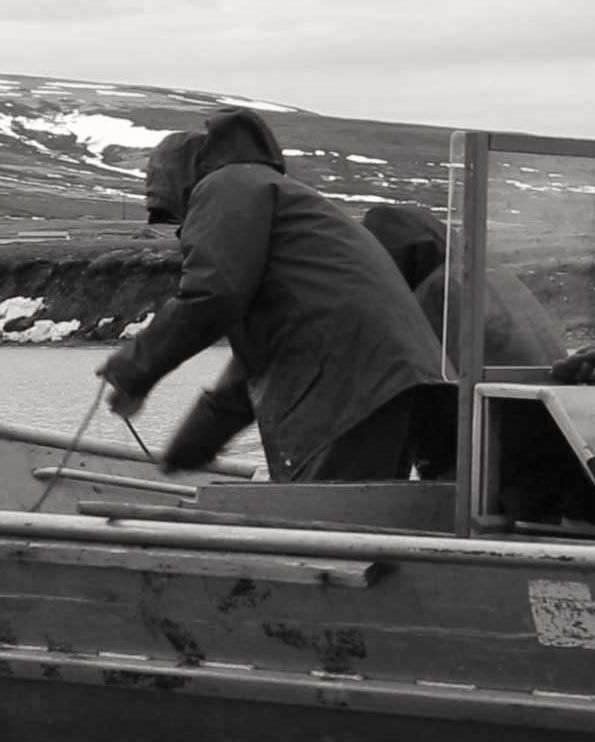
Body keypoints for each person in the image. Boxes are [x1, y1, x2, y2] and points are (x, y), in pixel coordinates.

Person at [98, 108, 448, 482]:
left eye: (178, 217)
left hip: (349, 384)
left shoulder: (226, 188)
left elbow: (211, 297)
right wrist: (191, 447)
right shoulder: (271, 197)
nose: (185, 230)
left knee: (327, 523)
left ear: (184, 186)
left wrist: (132, 372)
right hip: (391, 381)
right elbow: (254, 361)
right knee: (361, 515)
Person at [358, 205, 570, 478]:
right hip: (553, 424)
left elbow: (423, 389)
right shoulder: (483, 272)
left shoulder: (438, 291)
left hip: (508, 446)